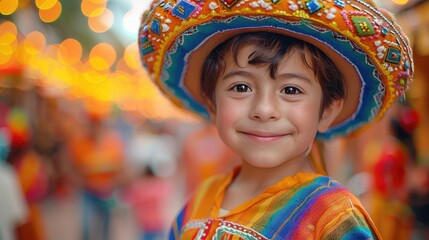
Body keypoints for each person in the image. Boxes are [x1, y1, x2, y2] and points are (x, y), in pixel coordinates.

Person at [138, 0, 414, 239]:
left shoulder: (332, 216)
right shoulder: (201, 198)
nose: (264, 109)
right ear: (212, 104)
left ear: (327, 111)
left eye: (291, 90)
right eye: (241, 87)